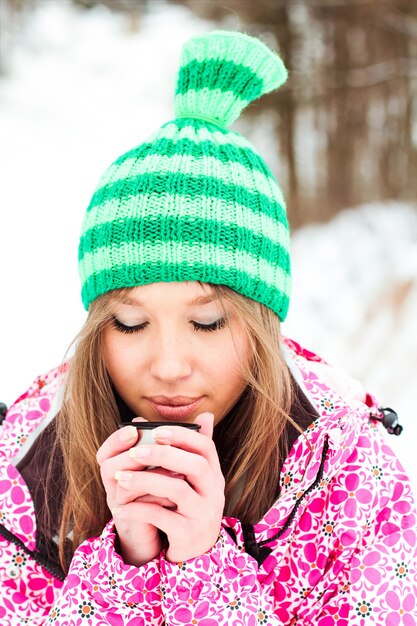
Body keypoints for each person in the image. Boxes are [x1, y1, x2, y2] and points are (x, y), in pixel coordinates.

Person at [0, 30, 416, 626]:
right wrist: (125, 569)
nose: (169, 365)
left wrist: (203, 572)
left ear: (262, 323)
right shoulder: (24, 486)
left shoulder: (349, 477)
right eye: (130, 322)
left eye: (207, 321)